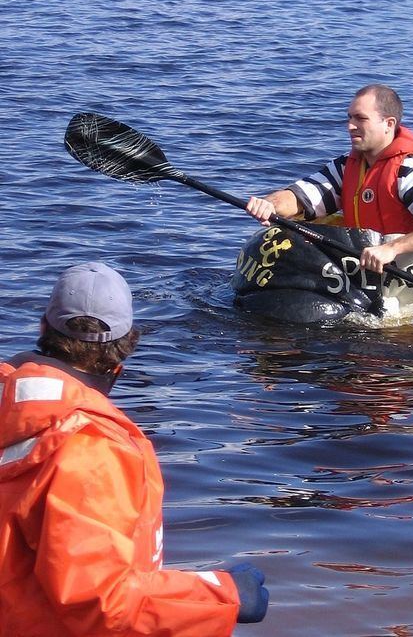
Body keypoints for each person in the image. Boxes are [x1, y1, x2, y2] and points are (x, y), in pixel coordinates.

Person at [0, 262, 268, 637]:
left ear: (43, 328)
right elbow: (99, 601)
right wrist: (225, 595)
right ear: (124, 356)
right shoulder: (91, 448)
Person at [245, 84, 413, 273]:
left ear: (389, 124)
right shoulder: (347, 165)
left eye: (360, 119)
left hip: (409, 269)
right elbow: (303, 196)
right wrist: (269, 205)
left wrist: (392, 248)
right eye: (349, 118)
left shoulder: (410, 168)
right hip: (363, 267)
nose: (350, 126)